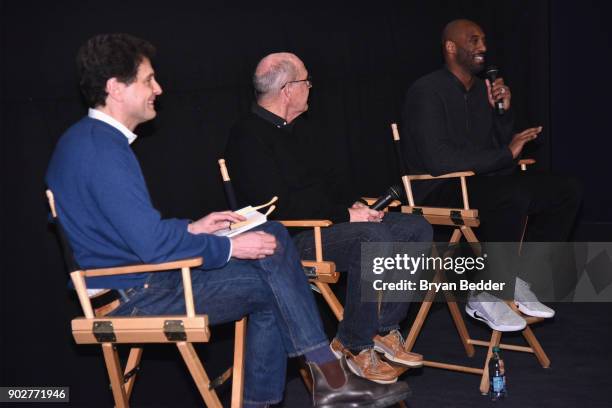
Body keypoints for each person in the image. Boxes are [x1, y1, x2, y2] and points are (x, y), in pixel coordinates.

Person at [45, 33, 411, 408]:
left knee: (272, 242)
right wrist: (229, 245)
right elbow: (151, 245)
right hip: (138, 295)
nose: (159, 87)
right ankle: (326, 377)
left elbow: (132, 231)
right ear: (115, 88)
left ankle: (318, 379)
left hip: (140, 280)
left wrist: (194, 227)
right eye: (147, 79)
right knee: (278, 281)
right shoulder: (102, 151)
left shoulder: (88, 141)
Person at [225, 52, 433, 385]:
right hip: (291, 238)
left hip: (332, 227)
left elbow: (334, 186)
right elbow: (276, 207)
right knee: (372, 239)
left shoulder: (303, 131)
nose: (311, 87)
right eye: (306, 80)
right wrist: (345, 215)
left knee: (415, 227)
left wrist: (359, 208)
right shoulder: (247, 137)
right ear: (288, 89)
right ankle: (355, 342)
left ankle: (383, 328)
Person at [401, 19, 582, 331]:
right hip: (437, 187)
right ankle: (486, 291)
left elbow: (500, 159)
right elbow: (438, 160)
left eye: (484, 40)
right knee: (510, 194)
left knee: (565, 188)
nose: (482, 47)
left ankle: (518, 277)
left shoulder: (481, 90)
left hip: (480, 182)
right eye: (473, 40)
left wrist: (502, 113)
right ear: (450, 47)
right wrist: (505, 153)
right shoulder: (427, 91)